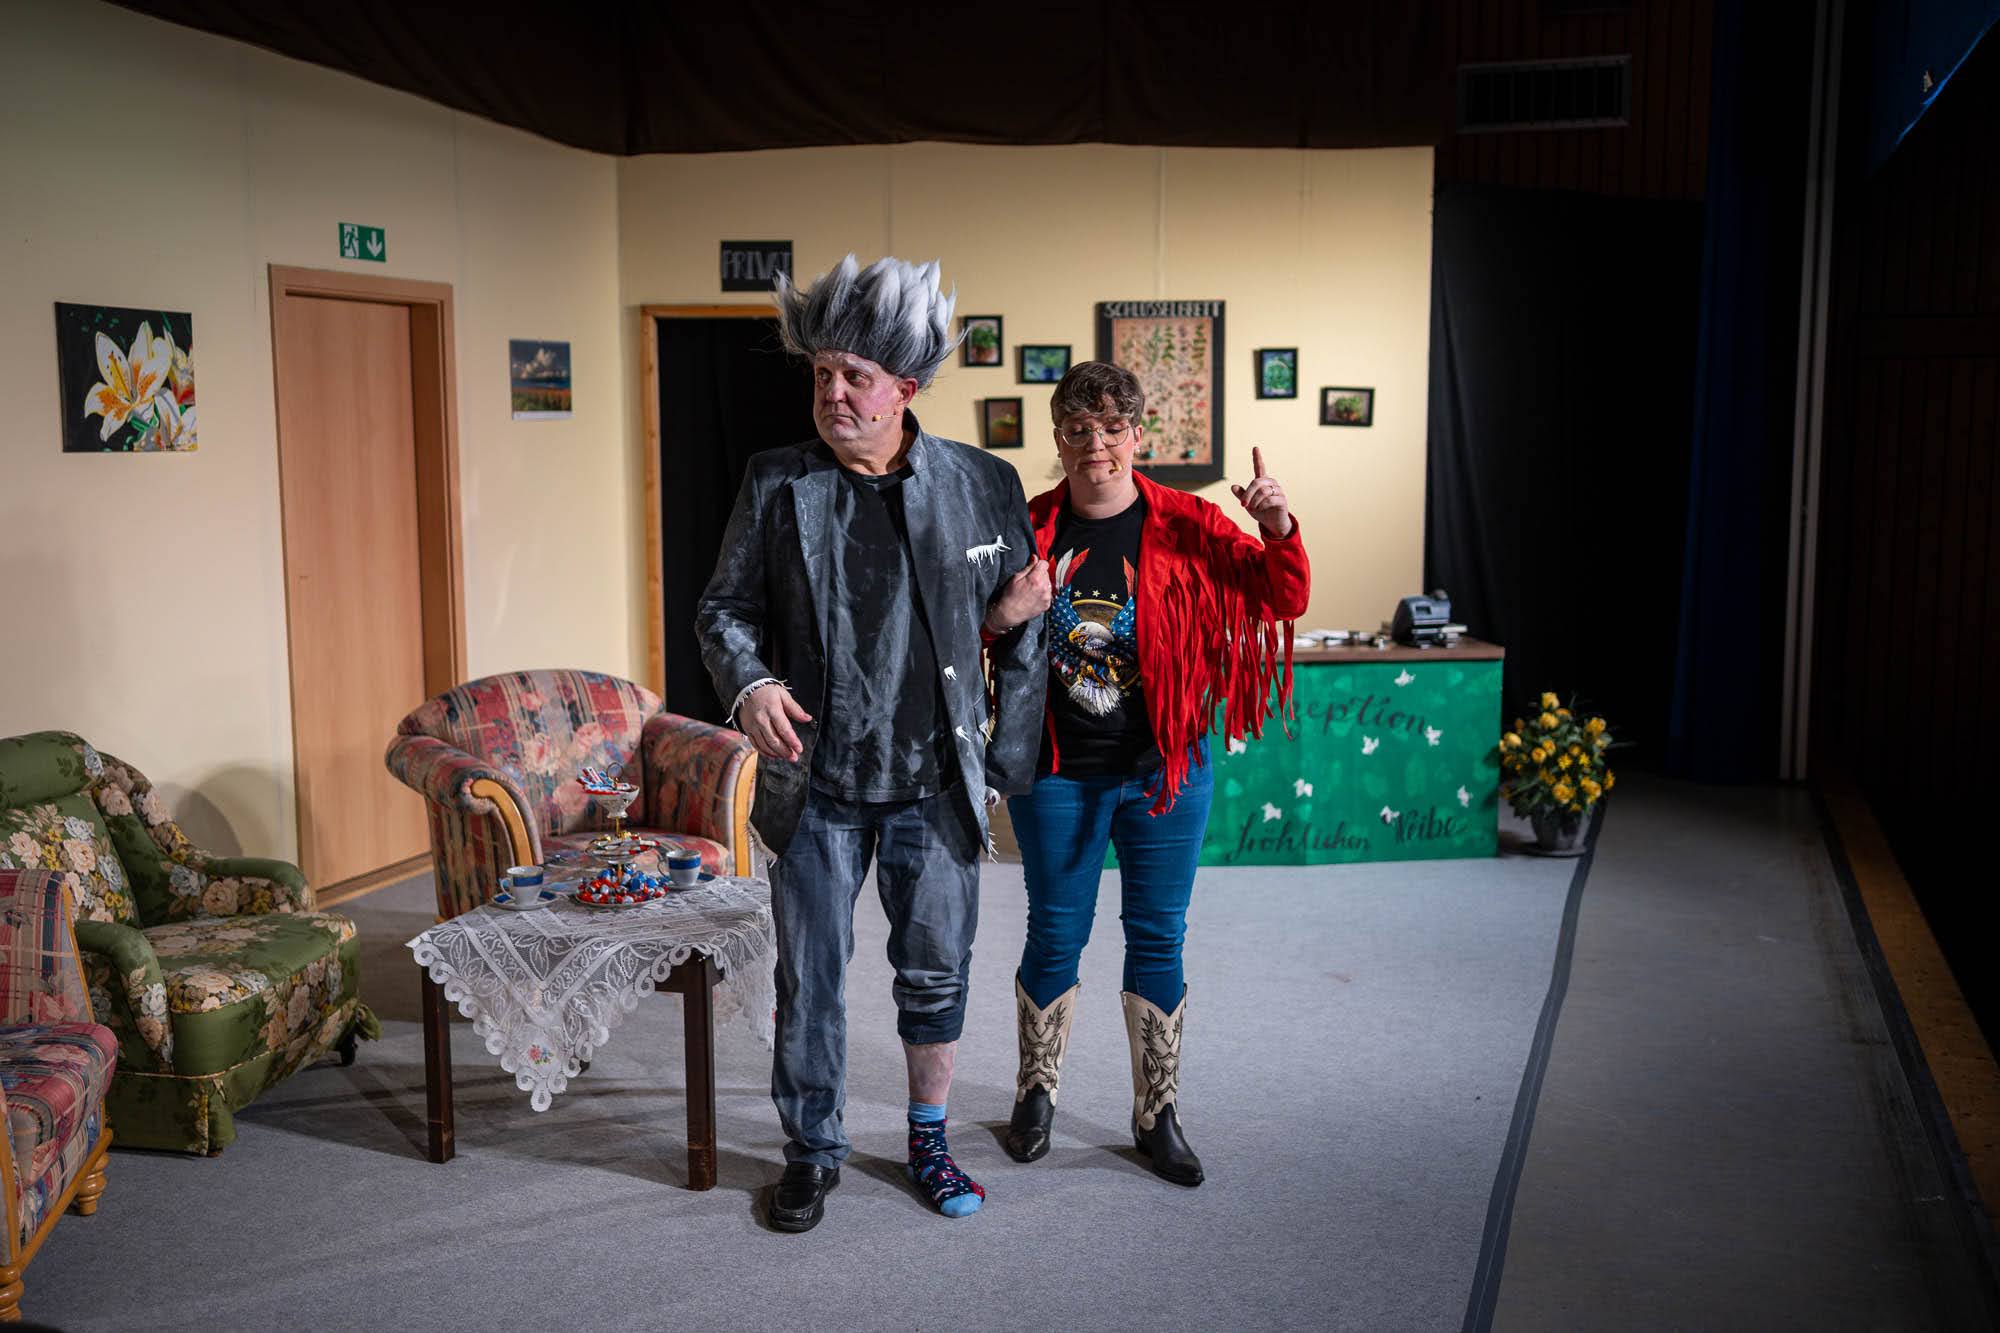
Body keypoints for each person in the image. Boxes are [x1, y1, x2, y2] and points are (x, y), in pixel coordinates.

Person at [696, 254, 1049, 1232]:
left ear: (907, 386)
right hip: (816, 785)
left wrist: (1002, 758)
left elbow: (1020, 622)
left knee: (935, 974)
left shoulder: (982, 482)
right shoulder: (777, 481)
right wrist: (750, 684)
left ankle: (928, 1139)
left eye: (855, 375)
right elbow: (723, 609)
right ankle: (811, 1151)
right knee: (810, 978)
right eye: (821, 374)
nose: (833, 393)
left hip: (933, 784)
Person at [984, 359, 1309, 1186]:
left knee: (1159, 935)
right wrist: (1002, 614)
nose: (1095, 443)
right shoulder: (1025, 527)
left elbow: (1283, 597)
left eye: (1111, 427)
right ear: (1058, 438)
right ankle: (1036, 1093)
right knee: (1055, 932)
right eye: (1078, 429)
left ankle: (1157, 1111)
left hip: (1167, 770)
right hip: (1057, 773)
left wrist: (1277, 526)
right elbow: (967, 629)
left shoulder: (1190, 523)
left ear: (1138, 435)